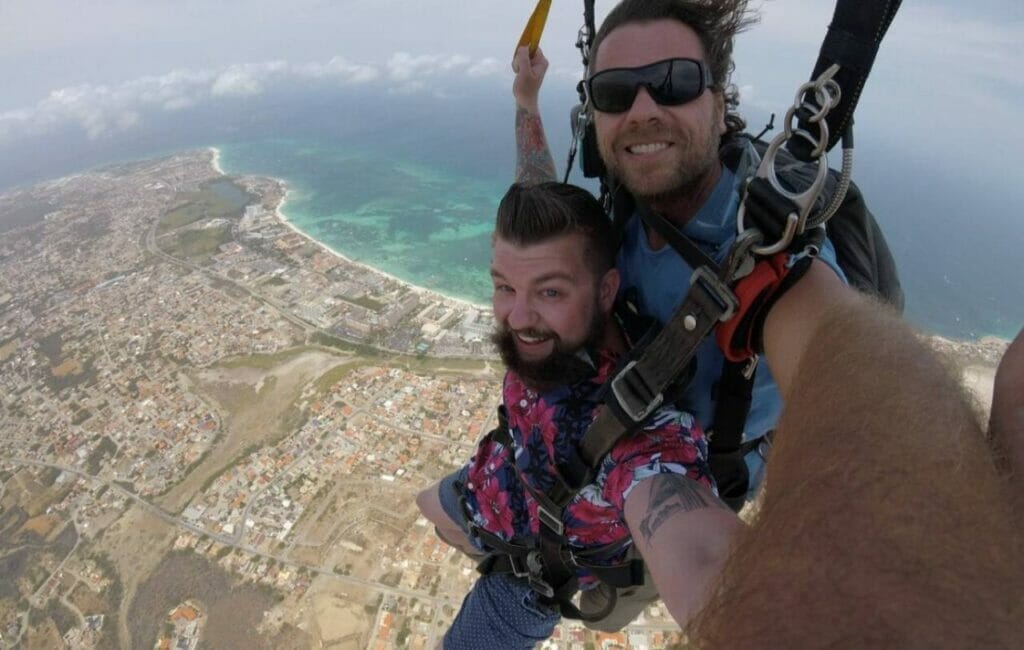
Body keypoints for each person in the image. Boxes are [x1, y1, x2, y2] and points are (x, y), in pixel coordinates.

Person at [511, 0, 902, 503]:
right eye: (614, 92)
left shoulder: (767, 249)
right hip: (611, 455)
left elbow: (851, 370)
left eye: (676, 82)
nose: (643, 110)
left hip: (695, 492)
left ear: (720, 105)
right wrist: (526, 100)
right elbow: (540, 220)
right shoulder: (627, 200)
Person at [417, 182, 741, 648]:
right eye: (504, 287)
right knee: (428, 509)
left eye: (550, 292)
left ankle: (484, 547)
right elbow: (535, 172)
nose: (518, 316)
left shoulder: (639, 437)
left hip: (530, 568)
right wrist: (526, 108)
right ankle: (476, 538)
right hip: (492, 482)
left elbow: (704, 557)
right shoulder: (555, 339)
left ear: (607, 289)